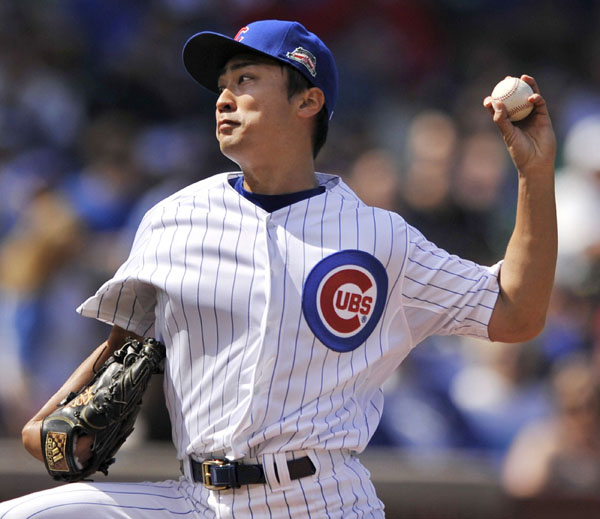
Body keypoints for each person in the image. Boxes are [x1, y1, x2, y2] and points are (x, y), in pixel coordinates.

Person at [1, 19, 557, 519]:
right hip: (196, 499)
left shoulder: (381, 238)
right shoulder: (172, 219)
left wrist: (534, 175)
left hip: (323, 501)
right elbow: (125, 348)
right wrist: (51, 420)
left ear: (307, 100)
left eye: (245, 79)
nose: (223, 98)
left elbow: (515, 313)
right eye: (221, 85)